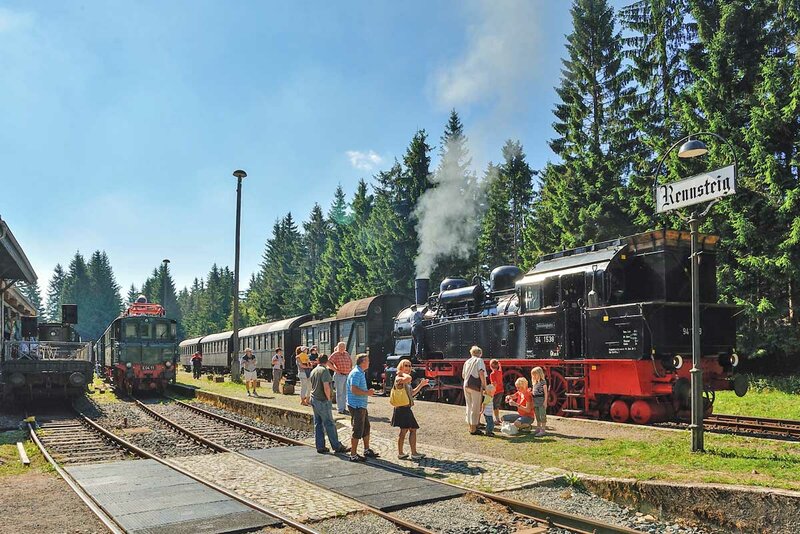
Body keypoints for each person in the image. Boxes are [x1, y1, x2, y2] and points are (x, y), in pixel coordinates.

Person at [309, 354, 350, 454]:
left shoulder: (314, 370)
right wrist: (328, 399)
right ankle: (337, 446)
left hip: (314, 399)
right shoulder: (324, 371)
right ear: (327, 362)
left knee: (318, 423)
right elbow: (326, 387)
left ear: (318, 360)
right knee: (329, 423)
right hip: (322, 400)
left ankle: (320, 446)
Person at [391, 359, 429, 460]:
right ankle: (411, 453)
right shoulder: (399, 378)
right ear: (401, 367)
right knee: (409, 430)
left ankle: (404, 453)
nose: (408, 368)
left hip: (405, 408)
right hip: (402, 408)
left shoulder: (405, 379)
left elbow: (412, 393)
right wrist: (402, 373)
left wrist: (421, 385)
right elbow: (409, 378)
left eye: (409, 366)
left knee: (407, 430)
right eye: (406, 366)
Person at [346, 353, 378, 462]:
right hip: (357, 405)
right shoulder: (356, 373)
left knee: (365, 427)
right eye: (367, 360)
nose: (369, 362)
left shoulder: (360, 372)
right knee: (357, 429)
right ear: (363, 362)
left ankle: (366, 449)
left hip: (361, 405)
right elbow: (353, 389)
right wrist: (367, 393)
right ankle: (353, 454)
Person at [462, 345, 487, 435]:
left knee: (469, 406)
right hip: (475, 387)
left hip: (466, 385)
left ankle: (471, 426)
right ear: (480, 353)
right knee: (475, 407)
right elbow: (481, 373)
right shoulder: (479, 360)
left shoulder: (467, 361)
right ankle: (473, 429)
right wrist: (484, 385)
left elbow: (463, 375)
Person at [329, 341, 352, 414]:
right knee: (340, 393)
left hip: (346, 375)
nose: (342, 348)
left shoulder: (346, 353)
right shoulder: (335, 354)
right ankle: (340, 409)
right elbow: (328, 362)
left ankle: (344, 408)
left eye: (343, 346)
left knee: (345, 392)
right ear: (338, 347)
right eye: (340, 346)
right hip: (340, 375)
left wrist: (350, 369)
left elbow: (350, 362)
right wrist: (335, 370)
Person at [530, 367, 549, 436]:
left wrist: (545, 402)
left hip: (541, 400)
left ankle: (543, 429)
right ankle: (538, 428)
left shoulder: (543, 382)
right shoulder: (534, 383)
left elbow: (546, 393)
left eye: (535, 374)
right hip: (535, 401)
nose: (534, 376)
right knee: (537, 415)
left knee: (542, 415)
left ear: (539, 374)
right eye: (533, 375)